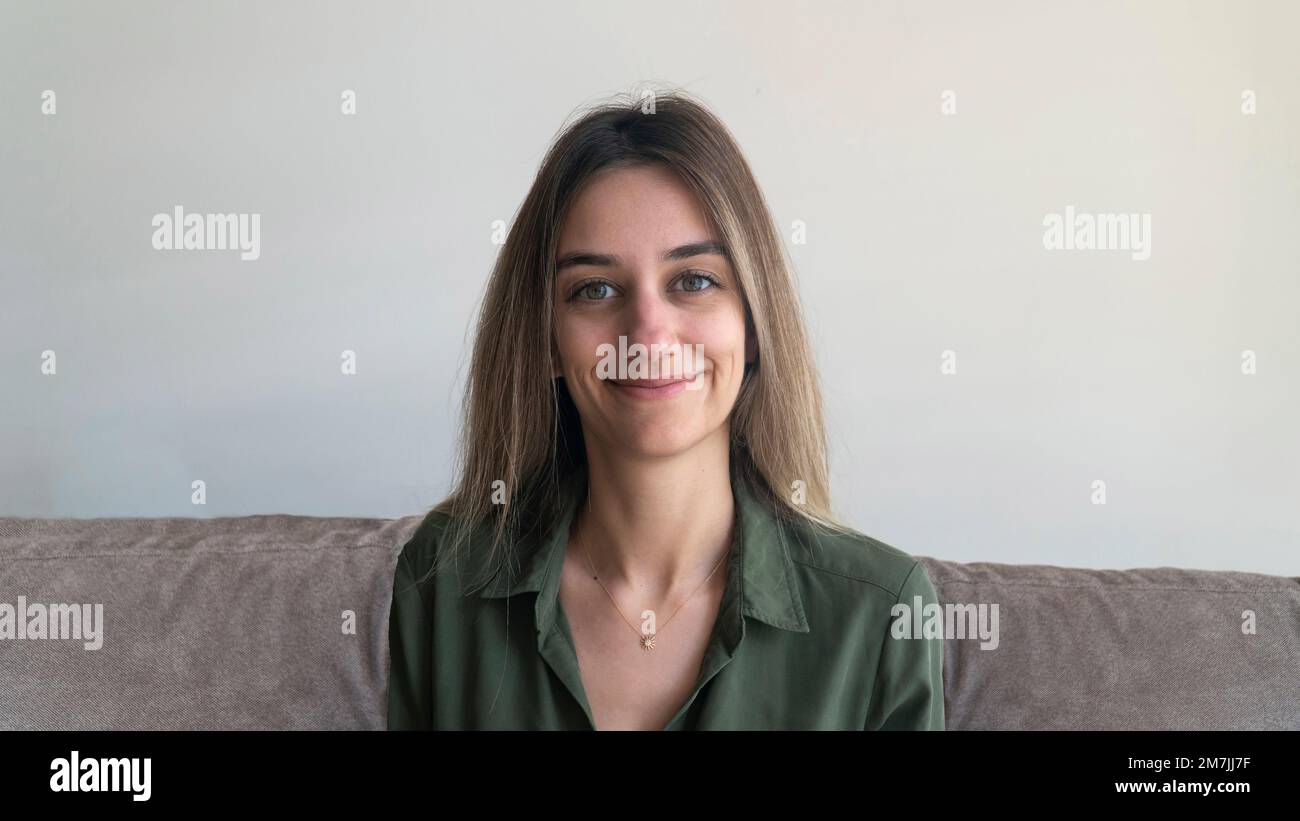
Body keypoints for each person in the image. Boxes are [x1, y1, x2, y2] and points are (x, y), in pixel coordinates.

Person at [387, 89, 944, 730]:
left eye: (694, 280)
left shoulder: (880, 617)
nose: (647, 335)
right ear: (544, 339)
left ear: (754, 324)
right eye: (594, 289)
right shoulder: (442, 582)